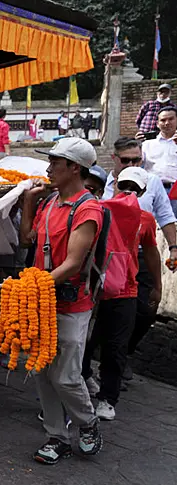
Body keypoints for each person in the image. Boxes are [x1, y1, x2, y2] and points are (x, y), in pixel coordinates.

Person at [20, 137, 103, 465]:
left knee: (65, 376)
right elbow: (27, 238)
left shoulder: (88, 208)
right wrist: (29, 202)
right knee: (41, 371)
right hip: (42, 302)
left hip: (70, 303)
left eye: (55, 163)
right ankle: (56, 436)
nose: (48, 168)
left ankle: (87, 421)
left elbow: (72, 263)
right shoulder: (49, 203)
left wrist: (34, 283)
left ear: (75, 168)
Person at [82, 167, 162, 421]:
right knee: (92, 343)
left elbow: (150, 252)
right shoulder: (104, 209)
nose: (129, 191)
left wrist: (157, 285)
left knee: (107, 345)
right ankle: (93, 386)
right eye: (126, 185)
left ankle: (105, 395)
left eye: (133, 187)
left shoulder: (137, 217)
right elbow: (151, 253)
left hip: (112, 289)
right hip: (101, 288)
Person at [103, 137, 177, 370]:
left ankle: (124, 352)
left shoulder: (152, 181)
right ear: (115, 159)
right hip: (112, 257)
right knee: (112, 313)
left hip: (143, 253)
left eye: (138, 160)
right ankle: (112, 361)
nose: (133, 165)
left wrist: (174, 247)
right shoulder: (108, 182)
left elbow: (165, 216)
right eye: (127, 161)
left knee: (145, 312)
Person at [141, 107, 177, 217]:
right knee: (152, 224)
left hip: (175, 191)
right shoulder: (147, 144)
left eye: (171, 119)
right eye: (163, 120)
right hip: (152, 190)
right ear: (157, 123)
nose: (167, 123)